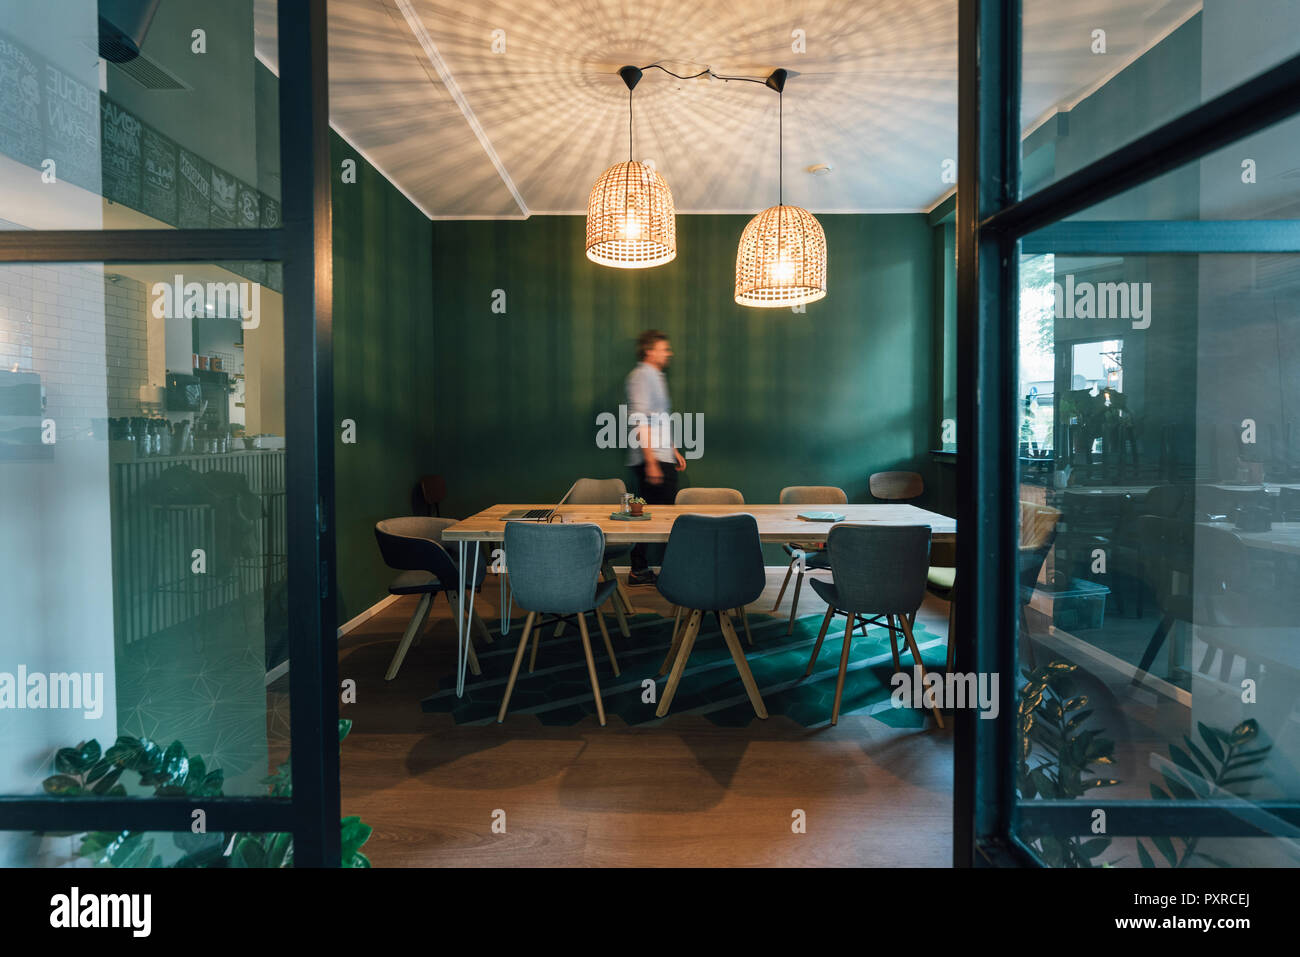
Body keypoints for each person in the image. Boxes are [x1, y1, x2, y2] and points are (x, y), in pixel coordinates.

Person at [625, 329, 686, 585]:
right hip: (653, 460)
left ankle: (641, 569)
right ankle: (649, 570)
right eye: (664, 348)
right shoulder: (641, 376)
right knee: (661, 516)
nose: (668, 353)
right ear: (650, 350)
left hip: (662, 457)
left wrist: (673, 451)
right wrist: (651, 461)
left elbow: (658, 418)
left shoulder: (655, 376)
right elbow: (640, 420)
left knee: (656, 514)